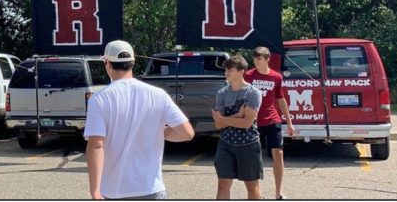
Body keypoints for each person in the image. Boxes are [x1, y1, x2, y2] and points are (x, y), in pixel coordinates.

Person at [85, 40, 195, 200]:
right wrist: (160, 132)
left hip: (113, 190)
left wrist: (95, 190)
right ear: (133, 62)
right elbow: (186, 133)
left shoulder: (99, 99)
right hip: (151, 188)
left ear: (107, 64)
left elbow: (96, 145)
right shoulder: (158, 94)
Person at [212, 56, 263, 200]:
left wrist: (223, 119)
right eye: (226, 69)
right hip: (226, 144)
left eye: (230, 69)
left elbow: (246, 123)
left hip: (248, 144)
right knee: (223, 184)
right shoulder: (222, 93)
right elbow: (218, 124)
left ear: (241, 72)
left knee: (252, 186)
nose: (226, 72)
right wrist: (238, 115)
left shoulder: (253, 93)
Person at [246, 47, 292, 200]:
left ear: (267, 60)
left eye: (259, 58)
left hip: (273, 120)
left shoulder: (276, 77)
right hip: (254, 121)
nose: (256, 61)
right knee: (254, 157)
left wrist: (289, 122)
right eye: (255, 58)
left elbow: (280, 99)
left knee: (278, 154)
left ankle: (278, 193)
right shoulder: (248, 75)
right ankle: (257, 194)